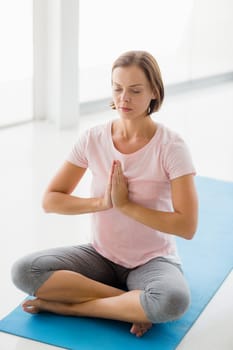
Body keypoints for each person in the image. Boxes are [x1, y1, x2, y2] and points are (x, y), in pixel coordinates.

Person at [11, 50, 198, 337]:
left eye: (135, 90)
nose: (124, 98)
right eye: (118, 88)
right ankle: (128, 303)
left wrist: (126, 206)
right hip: (100, 255)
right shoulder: (93, 138)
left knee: (172, 301)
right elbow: (51, 200)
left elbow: (187, 226)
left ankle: (71, 307)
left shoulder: (172, 146)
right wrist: (102, 202)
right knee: (24, 271)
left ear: (154, 93)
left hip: (152, 260)